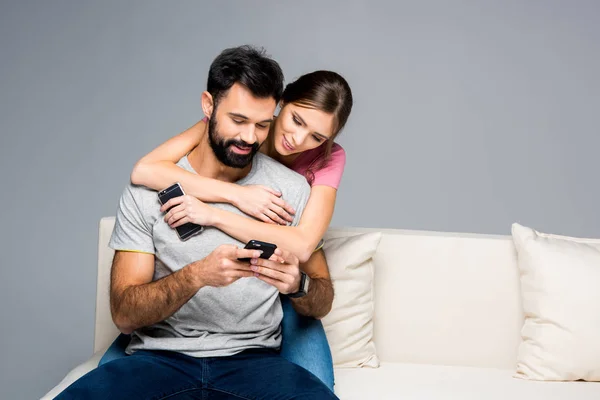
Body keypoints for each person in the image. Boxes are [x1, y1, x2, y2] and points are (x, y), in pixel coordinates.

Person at [56, 45, 338, 400]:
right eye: (238, 120)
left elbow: (322, 296)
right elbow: (125, 315)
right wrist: (197, 275)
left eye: (262, 125)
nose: (250, 138)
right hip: (158, 361)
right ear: (208, 106)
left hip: (254, 363)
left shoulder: (292, 189)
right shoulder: (148, 191)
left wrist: (298, 284)